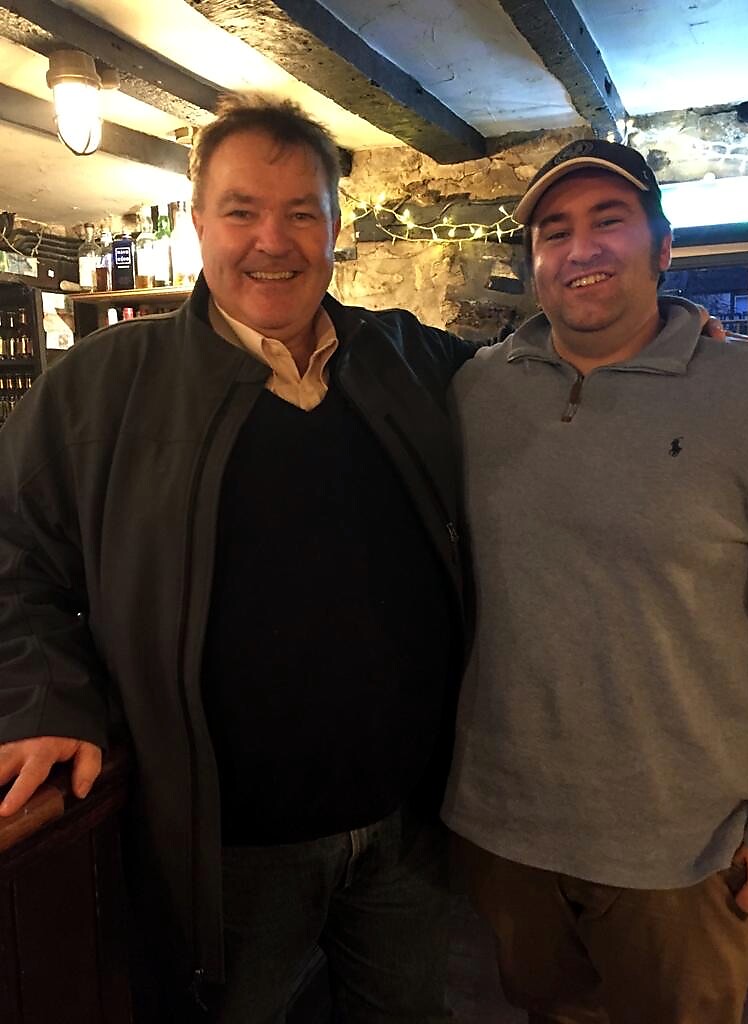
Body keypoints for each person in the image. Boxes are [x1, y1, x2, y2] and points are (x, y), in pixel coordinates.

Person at [0, 95, 479, 1022]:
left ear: (336, 228)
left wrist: (656, 325)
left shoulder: (409, 362)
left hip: (405, 831)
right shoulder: (100, 386)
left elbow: (539, 365)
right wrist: (44, 698)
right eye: (242, 211)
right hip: (225, 854)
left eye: (302, 212)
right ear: (198, 221)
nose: (273, 241)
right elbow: (14, 561)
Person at [442, 137, 748, 1024]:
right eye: (554, 231)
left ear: (664, 248)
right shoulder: (473, 392)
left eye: (609, 221)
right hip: (508, 836)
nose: (579, 249)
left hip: (687, 853)